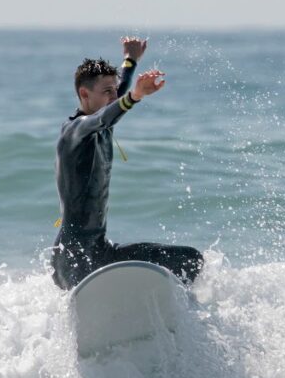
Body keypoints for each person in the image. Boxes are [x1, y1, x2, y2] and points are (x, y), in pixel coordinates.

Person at [51, 36, 203, 290]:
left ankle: (177, 321)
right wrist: (135, 96)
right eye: (106, 92)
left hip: (100, 250)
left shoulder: (106, 111)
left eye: (115, 91)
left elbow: (116, 97)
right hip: (74, 257)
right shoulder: (75, 131)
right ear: (84, 94)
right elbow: (102, 117)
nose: (113, 96)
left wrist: (130, 60)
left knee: (189, 260)